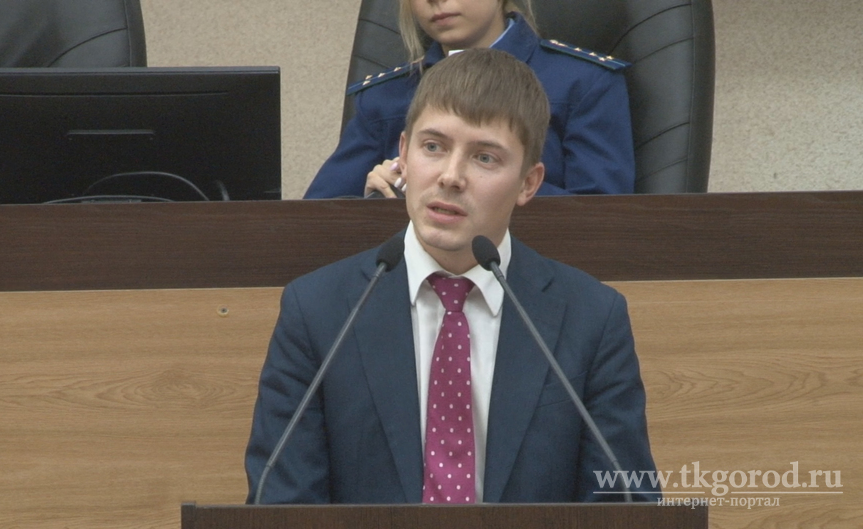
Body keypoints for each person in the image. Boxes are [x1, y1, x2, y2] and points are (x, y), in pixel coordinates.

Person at [246, 48, 658, 504]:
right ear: (403, 154)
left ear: (528, 183)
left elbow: (625, 503)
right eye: (433, 147)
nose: (450, 176)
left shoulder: (592, 318)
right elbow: (280, 502)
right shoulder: (318, 311)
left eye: (485, 158)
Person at [303, 0, 635, 199]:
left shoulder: (583, 83)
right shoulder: (384, 98)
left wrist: (482, 186)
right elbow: (314, 223)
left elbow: (603, 218)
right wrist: (372, 199)